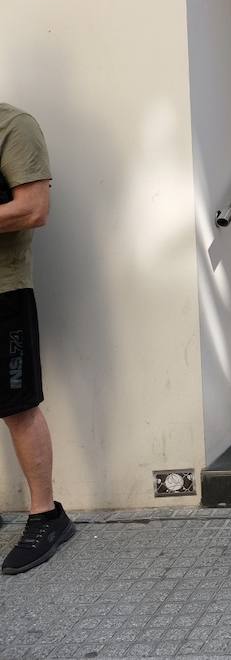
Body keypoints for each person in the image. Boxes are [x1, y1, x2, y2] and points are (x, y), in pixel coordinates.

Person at [0, 104, 75, 574]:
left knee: (16, 404)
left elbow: (33, 208)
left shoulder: (12, 125)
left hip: (3, 291)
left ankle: (46, 515)